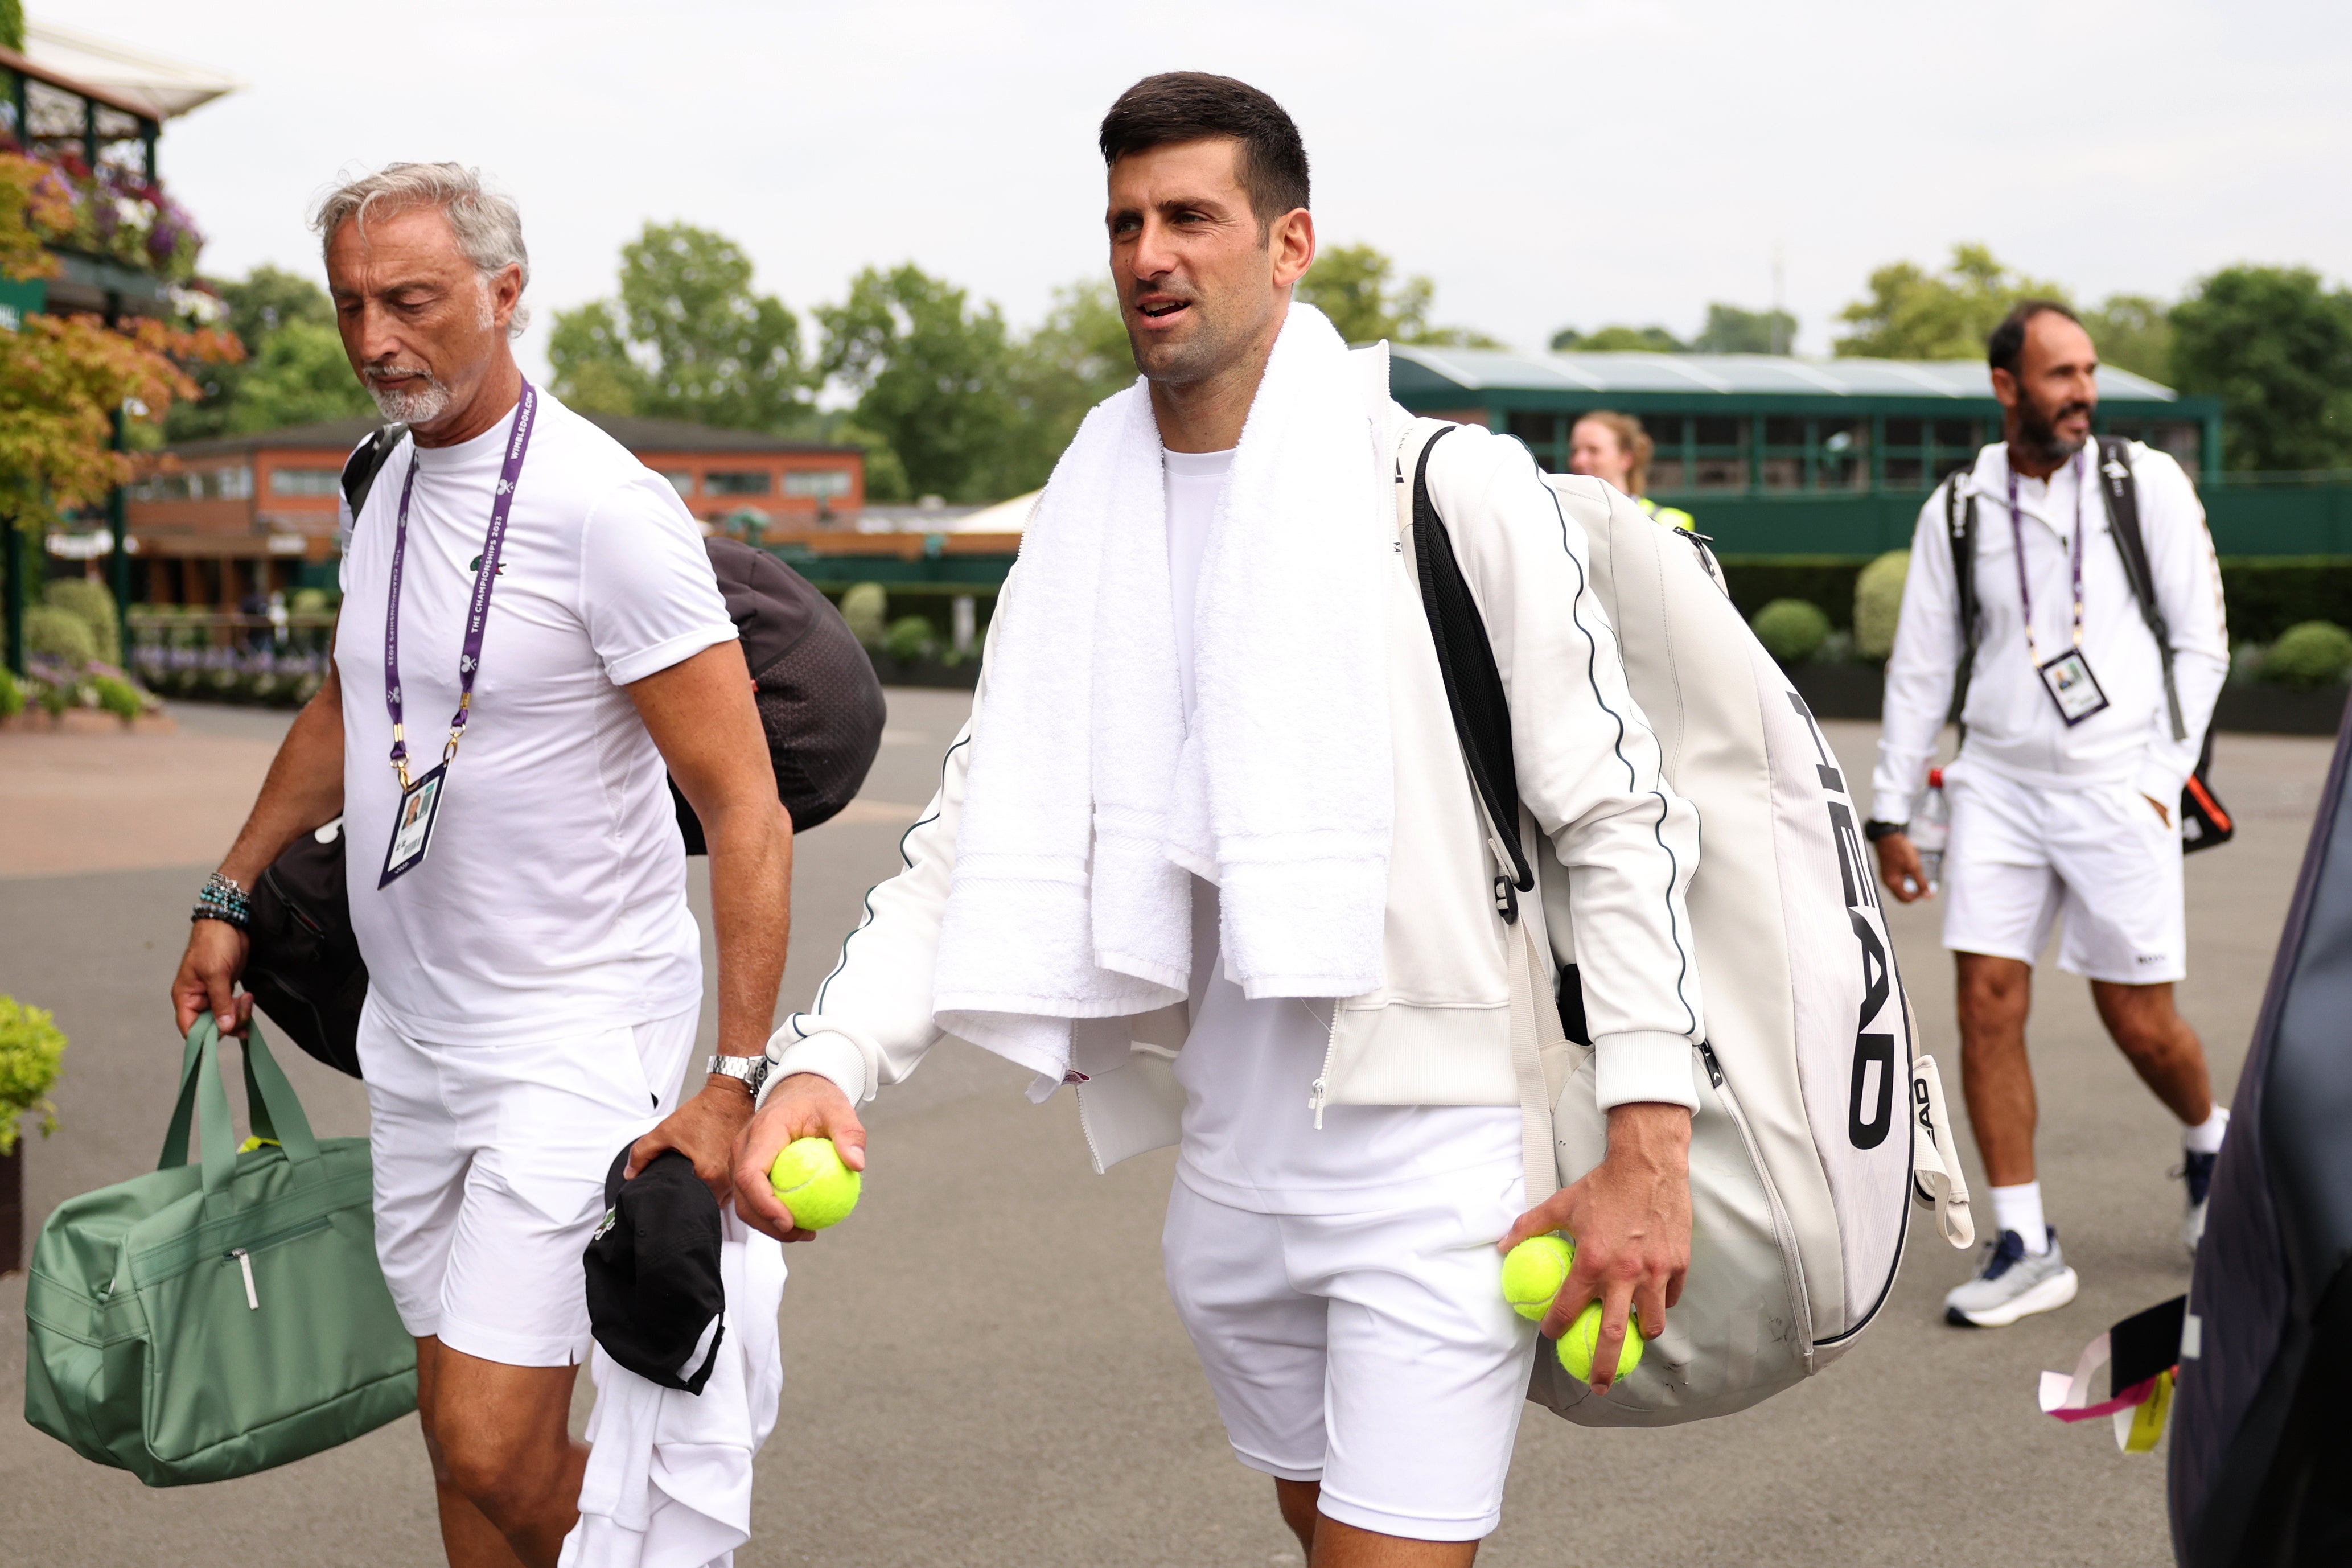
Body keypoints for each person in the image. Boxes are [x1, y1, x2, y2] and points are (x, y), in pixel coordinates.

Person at [726, 73, 1704, 1566]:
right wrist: (828, 1056)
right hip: (1227, 1169)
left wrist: (1648, 1143)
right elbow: (975, 837)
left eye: (1189, 215)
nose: (1149, 254)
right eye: (1123, 222)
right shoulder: (1084, 520)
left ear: (1289, 242)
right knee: (1321, 1532)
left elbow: (1618, 819)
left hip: (1437, 1156)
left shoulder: (1446, 491)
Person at [169, 164, 792, 1568]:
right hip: (417, 1037)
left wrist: (731, 1080)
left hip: (571, 1035)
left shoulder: (604, 509)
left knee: (495, 1443)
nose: (375, 338)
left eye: (411, 300)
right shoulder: (379, 476)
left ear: (505, 293)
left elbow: (744, 805)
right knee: (453, 1438)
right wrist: (230, 887)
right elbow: (352, 701)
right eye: (350, 305)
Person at [1867, 300, 2230, 1330]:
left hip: (2120, 787)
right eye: (2061, 374)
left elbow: (2201, 641)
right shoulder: (1956, 508)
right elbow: (1921, 667)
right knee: (1985, 1001)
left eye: (2088, 372)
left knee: (2140, 1021)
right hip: (1996, 785)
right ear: (2006, 386)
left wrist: (2160, 777)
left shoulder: (2142, 483)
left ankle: (2212, 1142)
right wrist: (1891, 809)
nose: (2082, 393)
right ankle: (2024, 1240)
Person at [1566, 410, 1694, 530]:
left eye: (1594, 451)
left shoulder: (1667, 522)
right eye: (1574, 451)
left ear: (1625, 458)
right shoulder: (1563, 515)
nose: (1579, 461)